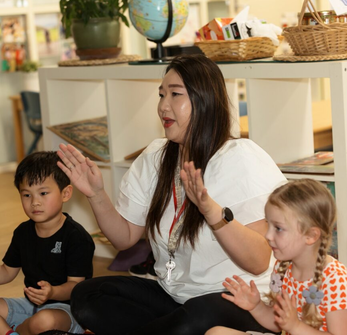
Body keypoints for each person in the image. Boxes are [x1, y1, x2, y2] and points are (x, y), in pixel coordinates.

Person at [57, 54, 287, 335]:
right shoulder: (155, 156)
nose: (163, 106)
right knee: (87, 295)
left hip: (241, 299)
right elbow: (124, 238)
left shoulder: (241, 158)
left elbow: (259, 261)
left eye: (175, 94)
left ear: (205, 101)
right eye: (161, 94)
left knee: (198, 318)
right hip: (175, 297)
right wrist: (96, 194)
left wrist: (212, 212)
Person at [0, 151, 95, 335]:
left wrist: (52, 292)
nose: (35, 202)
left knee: (43, 322)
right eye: (27, 195)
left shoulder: (77, 237)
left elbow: (75, 286)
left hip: (68, 312)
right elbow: (6, 271)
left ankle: (3, 331)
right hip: (30, 306)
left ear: (66, 193)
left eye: (43, 193)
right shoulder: (23, 232)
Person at [205, 178, 347, 335]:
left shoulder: (334, 278)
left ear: (311, 235)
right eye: (268, 224)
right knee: (216, 333)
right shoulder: (283, 267)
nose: (268, 235)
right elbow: (277, 323)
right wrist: (256, 306)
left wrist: (296, 327)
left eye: (278, 228)